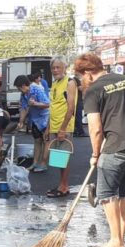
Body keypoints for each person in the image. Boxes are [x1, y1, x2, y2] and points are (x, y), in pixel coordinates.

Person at [75, 53, 125, 247]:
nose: (82, 80)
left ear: (88, 72)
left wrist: (95, 154)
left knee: (106, 193)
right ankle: (120, 238)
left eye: (82, 76)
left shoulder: (93, 90)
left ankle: (115, 241)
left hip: (117, 146)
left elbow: (95, 128)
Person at [45, 56, 78, 198]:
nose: (55, 70)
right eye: (53, 68)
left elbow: (71, 108)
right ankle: (62, 184)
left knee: (64, 157)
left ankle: (64, 187)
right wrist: (48, 127)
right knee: (58, 159)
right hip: (54, 125)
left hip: (64, 127)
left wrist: (63, 128)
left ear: (65, 67)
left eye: (58, 67)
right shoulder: (55, 83)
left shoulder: (70, 82)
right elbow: (52, 107)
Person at [14, 74, 50, 173]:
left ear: (23, 85)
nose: (19, 90)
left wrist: (35, 103)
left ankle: (43, 164)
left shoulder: (37, 90)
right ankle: (35, 163)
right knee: (37, 141)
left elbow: (47, 104)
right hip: (34, 120)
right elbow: (23, 108)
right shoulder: (24, 95)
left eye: (19, 88)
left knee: (46, 141)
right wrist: (21, 122)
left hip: (44, 118)